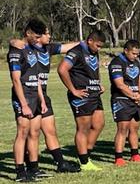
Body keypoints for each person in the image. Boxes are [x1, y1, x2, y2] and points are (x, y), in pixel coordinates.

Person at [9, 27, 81, 174]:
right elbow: (17, 44)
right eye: (46, 33)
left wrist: (86, 42)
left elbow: (68, 47)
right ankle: (27, 167)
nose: (49, 35)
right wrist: (11, 41)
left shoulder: (48, 48)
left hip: (42, 94)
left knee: (49, 130)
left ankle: (60, 163)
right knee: (27, 132)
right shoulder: (25, 47)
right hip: (27, 93)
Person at [58, 31, 106, 171]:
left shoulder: (93, 52)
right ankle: (84, 162)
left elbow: (94, 71)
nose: (99, 49)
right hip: (81, 95)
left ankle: (85, 154)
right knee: (83, 128)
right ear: (90, 40)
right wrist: (73, 90)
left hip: (94, 93)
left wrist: (98, 84)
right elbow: (62, 69)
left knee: (99, 124)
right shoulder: (76, 52)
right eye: (98, 45)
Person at [8, 19, 48, 181]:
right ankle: (20, 172)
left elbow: (36, 78)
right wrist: (23, 105)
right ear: (28, 33)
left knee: (35, 133)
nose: (38, 40)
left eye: (40, 37)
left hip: (35, 97)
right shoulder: (16, 51)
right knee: (22, 133)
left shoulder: (33, 50)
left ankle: (33, 168)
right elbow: (16, 80)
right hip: (22, 97)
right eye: (36, 37)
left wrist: (42, 100)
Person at [108, 40, 140, 166]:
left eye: (137, 54)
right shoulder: (116, 63)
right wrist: (132, 95)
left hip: (135, 100)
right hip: (121, 100)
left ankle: (135, 154)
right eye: (133, 53)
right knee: (122, 129)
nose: (136, 56)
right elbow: (119, 84)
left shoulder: (137, 63)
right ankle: (118, 158)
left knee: (134, 128)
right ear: (126, 50)